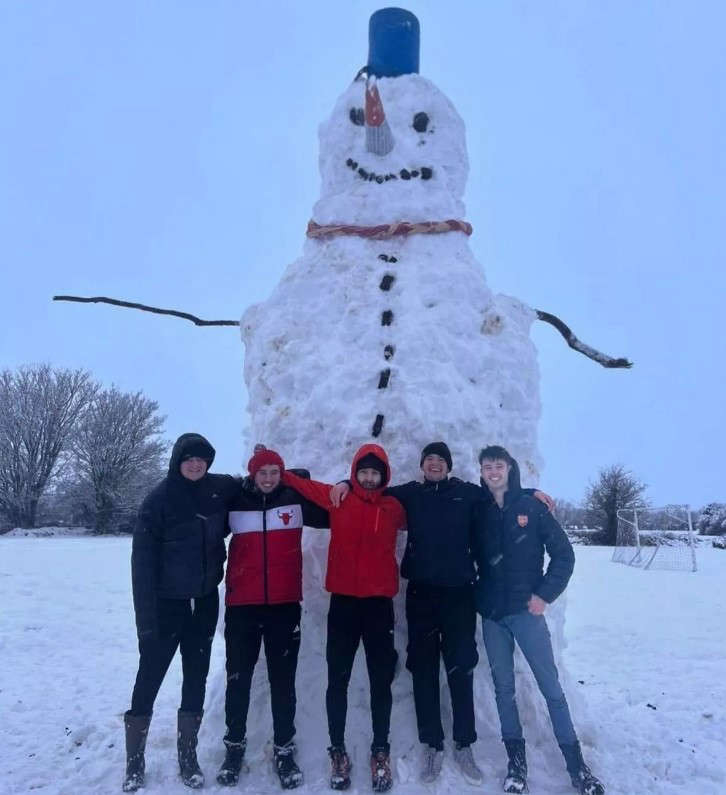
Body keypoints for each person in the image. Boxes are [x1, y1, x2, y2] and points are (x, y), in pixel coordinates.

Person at [331, 441, 553, 786]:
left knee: (461, 665)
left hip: (460, 594)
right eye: (429, 459)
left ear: (448, 465)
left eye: (440, 460)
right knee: (423, 667)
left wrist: (532, 491)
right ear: (422, 465)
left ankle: (464, 742)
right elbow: (371, 487)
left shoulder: (467, 492)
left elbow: (500, 491)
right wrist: (345, 484)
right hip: (420, 594)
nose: (434, 464)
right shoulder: (411, 493)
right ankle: (432, 743)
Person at [474, 445, 604, 795]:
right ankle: (516, 765)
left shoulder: (531, 507)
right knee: (503, 690)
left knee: (552, 689)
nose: (493, 472)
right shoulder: (479, 508)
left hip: (526, 614)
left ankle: (577, 768)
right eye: (487, 467)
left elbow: (564, 554)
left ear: (510, 468)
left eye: (498, 466)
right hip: (492, 616)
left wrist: (544, 595)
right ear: (482, 472)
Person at [282, 444, 406, 793]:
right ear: (355, 473)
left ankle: (380, 750)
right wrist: (276, 467)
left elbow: (433, 506)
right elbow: (302, 487)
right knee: (337, 680)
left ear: (384, 476)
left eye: (374, 473)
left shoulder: (395, 507)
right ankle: (337, 751)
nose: (368, 478)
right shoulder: (340, 499)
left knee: (380, 682)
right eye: (362, 472)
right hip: (344, 606)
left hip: (379, 607)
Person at [123, 433, 238, 792]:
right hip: (164, 607)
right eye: (189, 459)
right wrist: (146, 625)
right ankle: (134, 762)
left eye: (202, 460)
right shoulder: (158, 501)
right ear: (178, 460)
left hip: (203, 604)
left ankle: (188, 756)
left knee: (196, 678)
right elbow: (141, 568)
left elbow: (257, 484)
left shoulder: (217, 491)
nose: (196, 464)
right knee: (149, 680)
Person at [216, 448, 329, 790]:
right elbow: (202, 525)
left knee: (283, 681)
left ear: (282, 474)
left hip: (283, 606)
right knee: (238, 681)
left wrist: (318, 482)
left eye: (274, 472)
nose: (268, 479)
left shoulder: (294, 500)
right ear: (251, 474)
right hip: (242, 607)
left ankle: (284, 750)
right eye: (261, 472)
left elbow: (334, 512)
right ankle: (233, 748)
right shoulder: (235, 502)